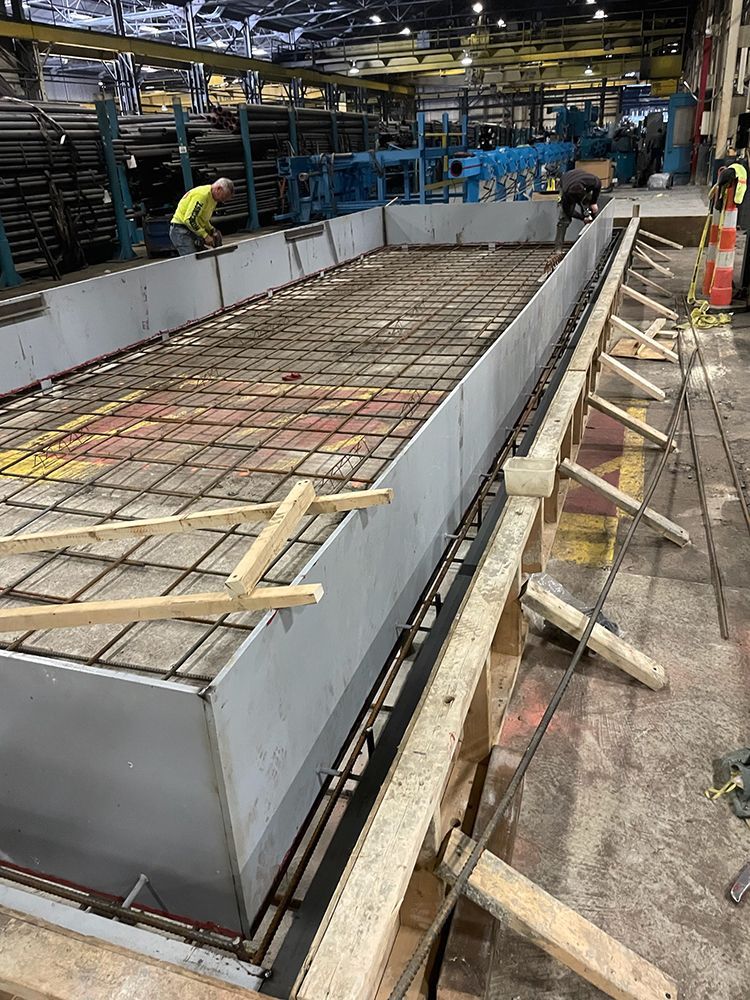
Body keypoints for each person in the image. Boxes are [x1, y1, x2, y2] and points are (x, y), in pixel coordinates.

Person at [170, 177, 235, 256]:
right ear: (218, 189)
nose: (223, 201)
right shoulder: (202, 195)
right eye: (224, 197)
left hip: (191, 230)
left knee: (204, 257)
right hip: (181, 230)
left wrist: (212, 230)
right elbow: (190, 219)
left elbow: (202, 219)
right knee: (193, 260)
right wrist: (205, 236)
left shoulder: (213, 199)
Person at [554, 168, 601, 250]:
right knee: (564, 219)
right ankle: (558, 248)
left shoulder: (591, 180)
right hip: (567, 183)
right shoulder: (566, 196)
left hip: (580, 180)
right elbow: (568, 212)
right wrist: (582, 218)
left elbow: (598, 183)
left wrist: (593, 202)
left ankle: (591, 237)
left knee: (589, 206)